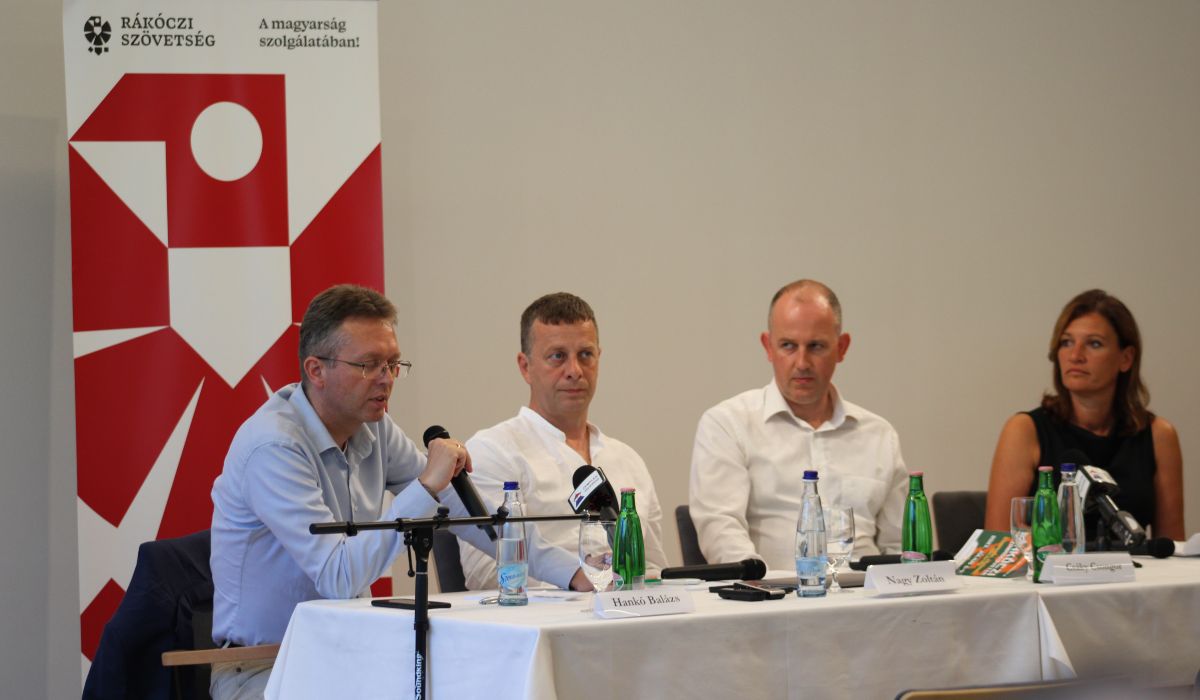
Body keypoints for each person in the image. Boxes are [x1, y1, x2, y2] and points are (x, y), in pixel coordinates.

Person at [209, 285, 588, 700]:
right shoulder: (274, 447)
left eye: (393, 364)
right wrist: (426, 486)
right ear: (316, 370)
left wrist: (574, 574)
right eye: (369, 365)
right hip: (265, 667)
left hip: (352, 656)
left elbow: (476, 520)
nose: (387, 379)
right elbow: (338, 577)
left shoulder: (375, 429)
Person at [689, 280, 908, 571]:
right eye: (788, 346)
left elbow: (900, 547)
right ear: (768, 347)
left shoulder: (879, 435)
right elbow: (721, 531)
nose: (802, 362)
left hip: (866, 592)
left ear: (842, 348)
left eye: (816, 346)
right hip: (772, 592)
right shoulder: (728, 424)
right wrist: (764, 587)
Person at [459, 292, 667, 589]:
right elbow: (487, 573)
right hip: (549, 614)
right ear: (525, 366)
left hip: (629, 613)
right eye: (557, 356)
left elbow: (654, 568)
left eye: (585, 355)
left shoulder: (628, 459)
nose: (574, 371)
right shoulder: (493, 450)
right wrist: (584, 586)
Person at [984, 289, 1184, 541]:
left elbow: (1172, 546)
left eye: (1094, 344)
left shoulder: (1159, 436)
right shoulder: (1024, 430)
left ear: (1126, 358)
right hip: (1047, 566)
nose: (1075, 355)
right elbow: (1000, 541)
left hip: (1134, 567)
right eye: (1066, 342)